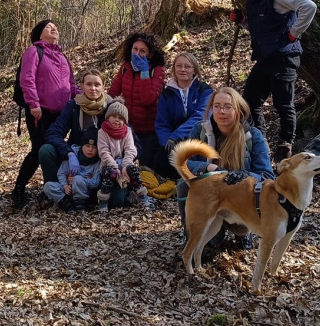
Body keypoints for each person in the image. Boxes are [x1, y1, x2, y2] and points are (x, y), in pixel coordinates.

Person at [232, 0, 317, 161]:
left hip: (284, 57)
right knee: (250, 100)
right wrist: (242, 21)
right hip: (265, 59)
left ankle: (284, 147)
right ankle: (261, 142)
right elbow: (260, 28)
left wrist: (293, 34)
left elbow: (309, 6)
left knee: (283, 104)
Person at [176, 87, 274, 250]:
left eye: (228, 107)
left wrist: (244, 176)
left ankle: (244, 233)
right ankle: (192, 236)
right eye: (217, 106)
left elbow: (267, 176)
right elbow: (184, 163)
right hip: (209, 198)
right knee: (183, 184)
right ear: (211, 109)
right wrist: (207, 167)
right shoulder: (200, 131)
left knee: (241, 229)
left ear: (238, 110)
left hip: (240, 203)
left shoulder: (252, 136)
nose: (222, 111)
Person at [12, 19, 79, 209]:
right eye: (49, 27)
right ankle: (19, 188)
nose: (54, 28)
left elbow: (71, 86)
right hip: (39, 112)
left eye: (56, 26)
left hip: (62, 113)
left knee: (56, 148)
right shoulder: (34, 51)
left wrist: (89, 97)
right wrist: (33, 103)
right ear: (39, 33)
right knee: (40, 148)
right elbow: (27, 78)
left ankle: (52, 187)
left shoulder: (62, 56)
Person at [40, 67, 111, 191]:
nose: (93, 88)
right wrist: (69, 153)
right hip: (77, 154)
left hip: (102, 158)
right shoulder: (73, 106)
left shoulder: (111, 107)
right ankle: (58, 190)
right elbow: (53, 133)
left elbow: (129, 136)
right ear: (82, 86)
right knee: (46, 150)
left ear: (103, 87)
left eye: (97, 84)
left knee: (117, 201)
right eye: (88, 84)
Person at [108, 33, 167, 169]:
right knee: (123, 167)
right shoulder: (125, 67)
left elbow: (148, 99)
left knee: (147, 169)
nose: (137, 54)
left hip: (148, 130)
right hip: (127, 129)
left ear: (150, 54)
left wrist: (144, 72)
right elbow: (112, 94)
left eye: (142, 51)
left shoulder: (157, 71)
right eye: (135, 49)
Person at [155, 52, 213, 178]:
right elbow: (162, 123)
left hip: (199, 137)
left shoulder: (205, 90)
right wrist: (167, 143)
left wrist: (177, 136)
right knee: (160, 162)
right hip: (173, 142)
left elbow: (201, 116)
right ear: (174, 70)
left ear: (194, 70)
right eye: (179, 66)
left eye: (187, 66)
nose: (182, 69)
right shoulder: (166, 94)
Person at [96, 100, 146, 212]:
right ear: (108, 117)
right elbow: (103, 152)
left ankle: (142, 196)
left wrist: (125, 165)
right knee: (110, 173)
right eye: (114, 116)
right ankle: (103, 201)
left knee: (133, 169)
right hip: (108, 165)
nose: (117, 120)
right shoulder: (102, 132)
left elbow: (130, 149)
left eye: (121, 118)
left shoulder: (127, 131)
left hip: (124, 163)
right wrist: (114, 166)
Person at [44, 128, 101, 213]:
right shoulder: (73, 155)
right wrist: (64, 185)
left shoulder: (98, 162)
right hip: (68, 190)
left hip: (84, 192)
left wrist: (80, 180)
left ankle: (81, 206)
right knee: (48, 186)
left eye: (94, 147)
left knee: (78, 179)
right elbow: (61, 172)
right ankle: (67, 204)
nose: (90, 150)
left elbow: (96, 182)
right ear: (82, 146)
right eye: (87, 146)